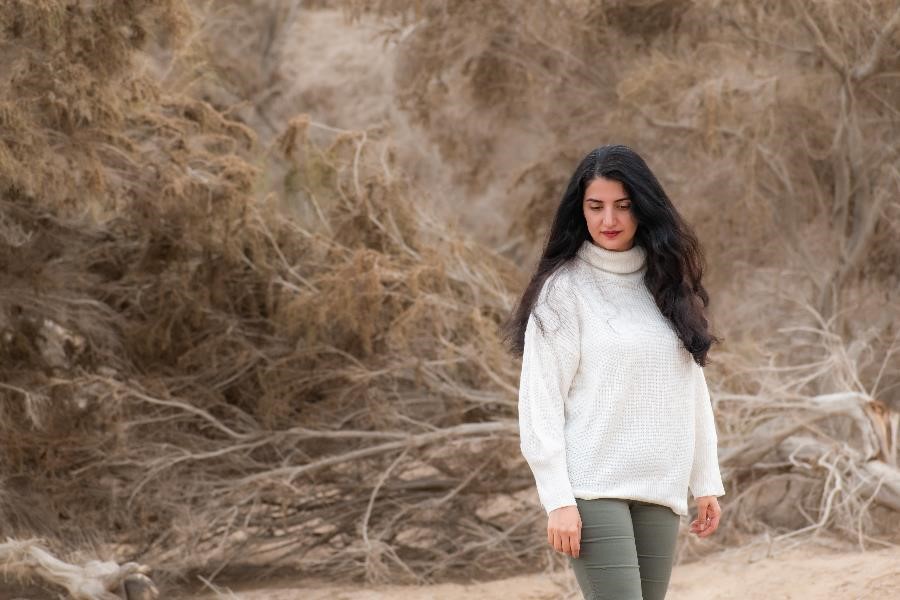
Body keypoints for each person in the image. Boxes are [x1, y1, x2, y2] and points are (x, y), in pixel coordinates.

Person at [504, 144, 726, 600]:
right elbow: (539, 402)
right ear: (579, 211)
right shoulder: (563, 291)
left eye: (623, 207)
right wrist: (559, 501)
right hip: (592, 488)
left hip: (659, 487)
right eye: (596, 206)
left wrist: (705, 481)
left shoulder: (666, 288)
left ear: (643, 209)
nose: (609, 220)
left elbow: (690, 390)